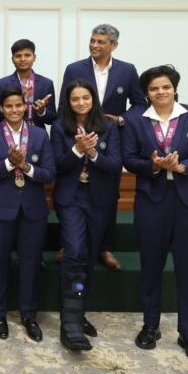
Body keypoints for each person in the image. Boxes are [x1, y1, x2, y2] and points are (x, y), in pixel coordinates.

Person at [123, 65, 188, 367]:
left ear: (174, 88)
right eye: (154, 88)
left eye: (165, 87)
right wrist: (154, 165)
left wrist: (183, 167)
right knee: (151, 266)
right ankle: (150, 326)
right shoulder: (135, 121)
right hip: (152, 202)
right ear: (147, 93)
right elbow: (129, 159)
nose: (160, 92)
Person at [59, 24, 148, 271]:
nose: (94, 45)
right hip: (75, 136)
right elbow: (63, 106)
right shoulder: (74, 69)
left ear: (113, 45)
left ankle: (104, 247)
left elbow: (140, 105)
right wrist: (69, 136)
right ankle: (69, 244)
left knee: (108, 193)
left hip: (111, 140)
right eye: (92, 40)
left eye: (100, 42)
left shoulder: (127, 71)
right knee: (70, 189)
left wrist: (120, 120)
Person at [0, 86, 55, 343]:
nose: (13, 110)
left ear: (26, 107)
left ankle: (28, 315)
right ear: (1, 109)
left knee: (30, 265)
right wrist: (10, 163)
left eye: (18, 105)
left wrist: (26, 166)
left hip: (32, 211)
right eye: (8, 106)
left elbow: (49, 173)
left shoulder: (39, 135)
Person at [50, 80, 121, 351]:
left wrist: (92, 153)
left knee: (89, 257)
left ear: (93, 100)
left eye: (85, 98)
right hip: (71, 199)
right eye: (75, 98)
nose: (80, 102)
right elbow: (56, 165)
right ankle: (69, 323)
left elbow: (115, 164)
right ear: (68, 102)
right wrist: (77, 150)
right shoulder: (59, 127)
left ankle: (78, 312)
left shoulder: (109, 126)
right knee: (75, 251)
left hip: (99, 200)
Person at [0, 39, 56, 127]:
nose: (23, 59)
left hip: (37, 135)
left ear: (34, 57)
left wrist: (42, 111)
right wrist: (16, 101)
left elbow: (52, 119)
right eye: (18, 56)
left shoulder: (46, 83)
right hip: (9, 134)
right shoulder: (1, 84)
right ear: (12, 59)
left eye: (27, 55)